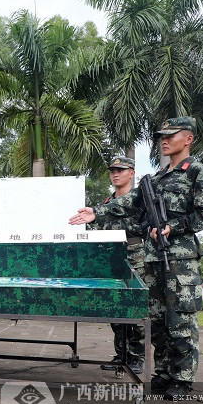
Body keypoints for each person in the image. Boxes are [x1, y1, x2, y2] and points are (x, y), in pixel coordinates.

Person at [71, 117, 203, 400]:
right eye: (161, 136)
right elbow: (132, 200)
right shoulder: (157, 178)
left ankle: (182, 379)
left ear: (188, 138)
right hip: (152, 259)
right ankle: (164, 373)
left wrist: (172, 227)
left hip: (181, 261)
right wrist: (97, 212)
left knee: (181, 320)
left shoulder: (197, 172)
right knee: (158, 320)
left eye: (171, 135)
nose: (164, 140)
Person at [69, 156, 146, 375]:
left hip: (136, 257)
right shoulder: (105, 203)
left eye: (121, 170)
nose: (115, 174)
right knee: (116, 309)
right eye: (113, 170)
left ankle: (137, 357)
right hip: (112, 259)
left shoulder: (139, 199)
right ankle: (121, 355)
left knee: (136, 309)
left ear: (131, 173)